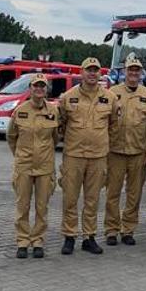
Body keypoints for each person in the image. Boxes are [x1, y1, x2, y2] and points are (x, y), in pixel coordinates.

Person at [56, 57, 113, 255]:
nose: (92, 73)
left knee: (92, 199)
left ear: (100, 73)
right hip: (74, 155)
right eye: (89, 70)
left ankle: (89, 237)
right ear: (81, 72)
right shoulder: (68, 97)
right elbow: (61, 123)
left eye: (95, 70)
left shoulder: (110, 98)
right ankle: (69, 236)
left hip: (98, 157)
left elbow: (113, 125)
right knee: (70, 198)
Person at [103, 57, 146, 247]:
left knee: (134, 195)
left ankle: (128, 230)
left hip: (138, 152)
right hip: (115, 151)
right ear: (124, 71)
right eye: (130, 70)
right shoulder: (112, 93)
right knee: (112, 193)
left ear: (141, 73)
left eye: (137, 70)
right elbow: (105, 122)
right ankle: (111, 230)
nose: (133, 73)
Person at [7, 74, 60, 259]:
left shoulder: (53, 111)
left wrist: (45, 154)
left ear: (46, 89)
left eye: (42, 86)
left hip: (45, 167)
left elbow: (55, 138)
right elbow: (11, 137)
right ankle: (22, 242)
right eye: (36, 86)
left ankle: (38, 241)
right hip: (24, 166)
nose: (39, 89)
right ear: (30, 89)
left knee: (42, 207)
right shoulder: (20, 111)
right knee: (22, 206)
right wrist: (20, 156)